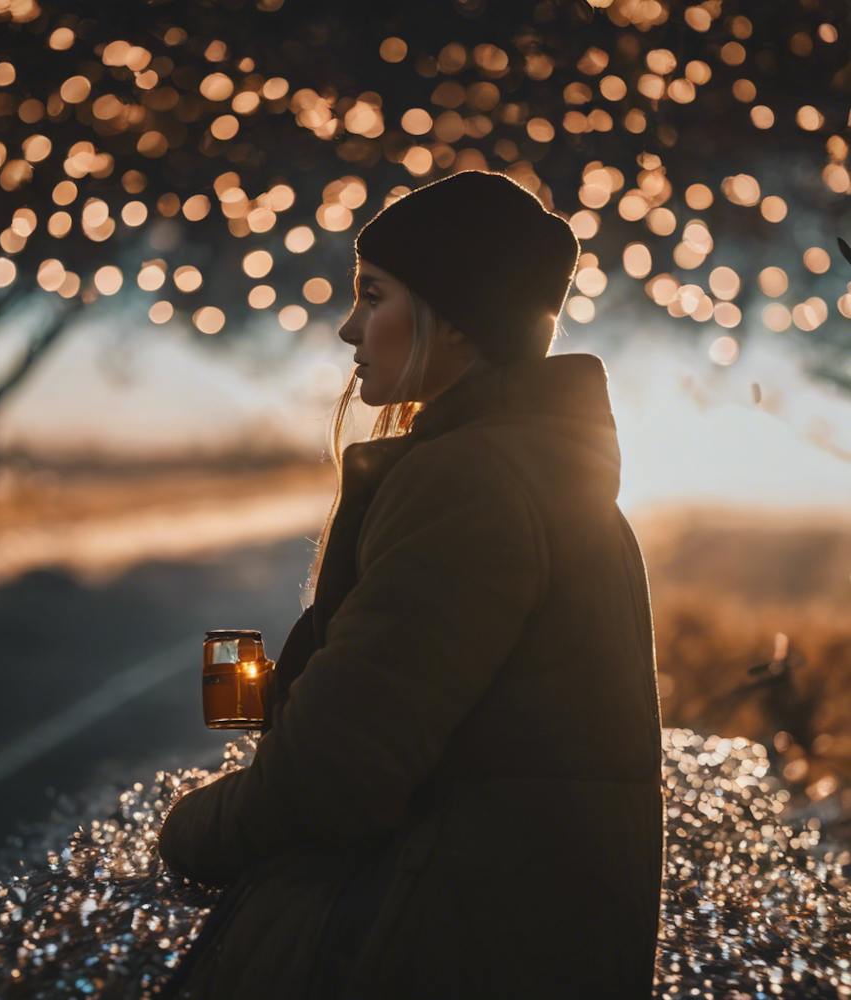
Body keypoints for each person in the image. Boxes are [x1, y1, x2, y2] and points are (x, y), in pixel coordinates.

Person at [157, 169, 666, 999]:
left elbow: (335, 771)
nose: (349, 327)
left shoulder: (471, 480)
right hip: (518, 939)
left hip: (433, 943)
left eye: (373, 295)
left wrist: (188, 832)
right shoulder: (544, 470)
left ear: (455, 322)